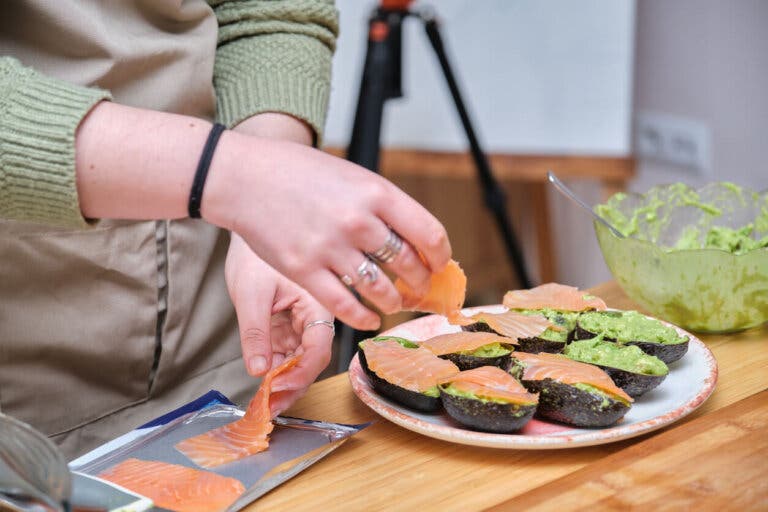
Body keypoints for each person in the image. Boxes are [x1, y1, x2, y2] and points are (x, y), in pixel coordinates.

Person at [0, 0, 451, 459]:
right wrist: (238, 178)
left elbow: (265, 10)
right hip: (26, 400)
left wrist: (265, 208)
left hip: (226, 340)